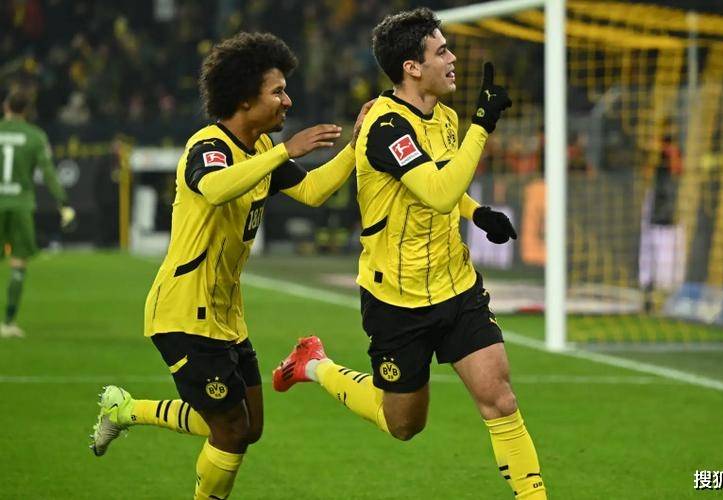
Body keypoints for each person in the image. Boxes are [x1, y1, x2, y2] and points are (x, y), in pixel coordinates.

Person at [273, 9, 546, 499]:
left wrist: (478, 212)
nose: (453, 58)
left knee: (500, 400)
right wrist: (483, 124)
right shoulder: (384, 128)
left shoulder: (445, 117)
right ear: (412, 67)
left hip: (456, 287)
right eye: (441, 51)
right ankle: (314, 364)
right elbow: (438, 192)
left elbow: (441, 183)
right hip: (397, 301)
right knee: (404, 425)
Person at [88, 32, 373, 500]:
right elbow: (216, 187)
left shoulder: (260, 150)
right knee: (231, 432)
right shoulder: (209, 145)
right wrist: (286, 150)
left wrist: (355, 147)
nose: (288, 101)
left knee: (248, 427)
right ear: (244, 99)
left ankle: (126, 410)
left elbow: (313, 191)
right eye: (277, 91)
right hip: (182, 313)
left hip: (226, 316)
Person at [0, 90, 75, 339]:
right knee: (18, 262)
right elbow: (48, 172)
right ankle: (8, 323)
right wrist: (63, 202)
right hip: (20, 204)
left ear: (6, 106)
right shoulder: (35, 136)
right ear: (26, 111)